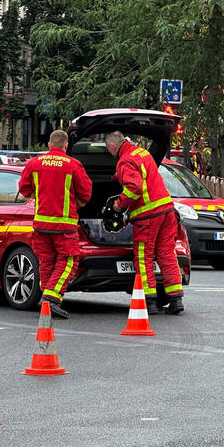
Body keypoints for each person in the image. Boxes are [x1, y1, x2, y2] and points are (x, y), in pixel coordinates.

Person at [106, 131, 185, 315]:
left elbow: (134, 188)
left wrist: (118, 205)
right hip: (167, 211)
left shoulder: (124, 161)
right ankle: (176, 299)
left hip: (148, 216)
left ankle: (149, 301)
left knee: (144, 258)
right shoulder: (143, 153)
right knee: (167, 254)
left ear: (111, 147)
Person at [17, 130, 92, 319]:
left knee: (46, 261)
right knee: (69, 261)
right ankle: (51, 297)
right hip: (64, 224)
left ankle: (47, 299)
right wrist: (75, 205)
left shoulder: (34, 163)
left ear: (49, 145)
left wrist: (41, 197)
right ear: (65, 146)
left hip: (41, 223)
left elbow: (24, 189)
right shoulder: (73, 165)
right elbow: (85, 193)